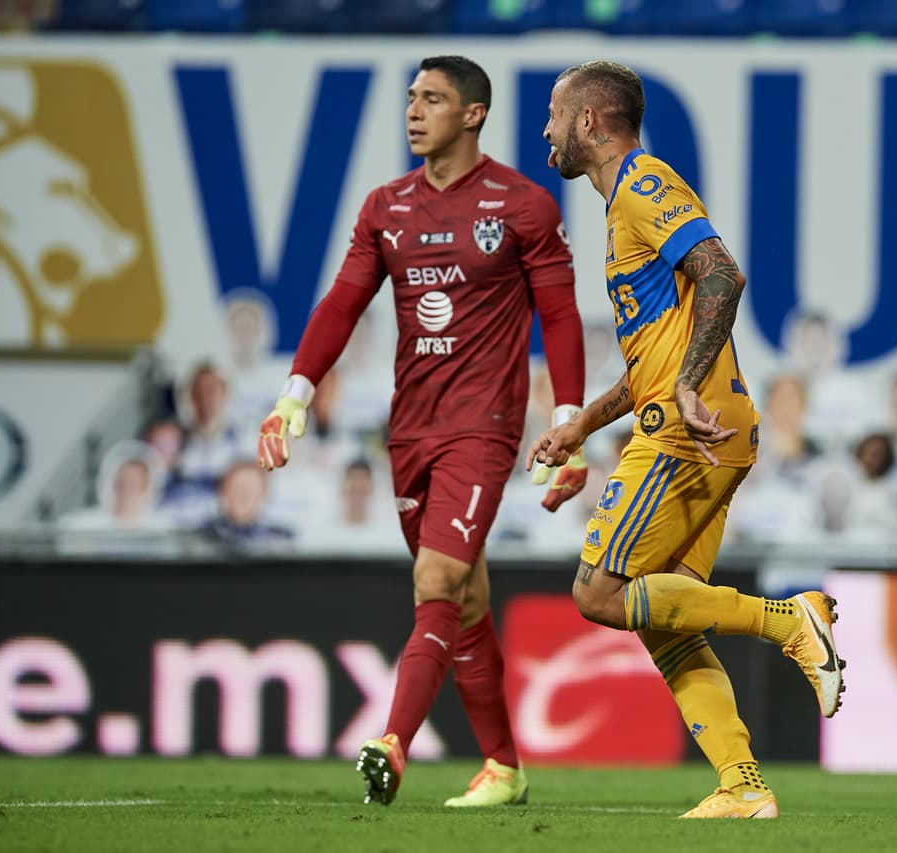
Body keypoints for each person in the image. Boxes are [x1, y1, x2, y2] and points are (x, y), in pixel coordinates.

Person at [256, 56, 587, 808]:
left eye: (433, 99)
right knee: (463, 600)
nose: (414, 111)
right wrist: (293, 395)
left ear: (472, 114)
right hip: (410, 429)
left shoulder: (524, 205)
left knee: (434, 580)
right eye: (411, 98)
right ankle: (503, 766)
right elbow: (342, 302)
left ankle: (392, 741)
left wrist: (567, 419)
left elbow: (560, 315)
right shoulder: (385, 207)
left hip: (485, 426)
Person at [528, 60, 844, 820]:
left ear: (592, 123)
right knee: (663, 619)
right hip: (698, 423)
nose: (545, 130)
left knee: (598, 592)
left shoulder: (643, 184)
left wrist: (688, 384)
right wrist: (580, 423)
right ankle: (742, 785)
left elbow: (723, 276)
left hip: (684, 431)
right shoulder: (621, 209)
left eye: (554, 114)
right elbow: (652, 359)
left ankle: (790, 619)